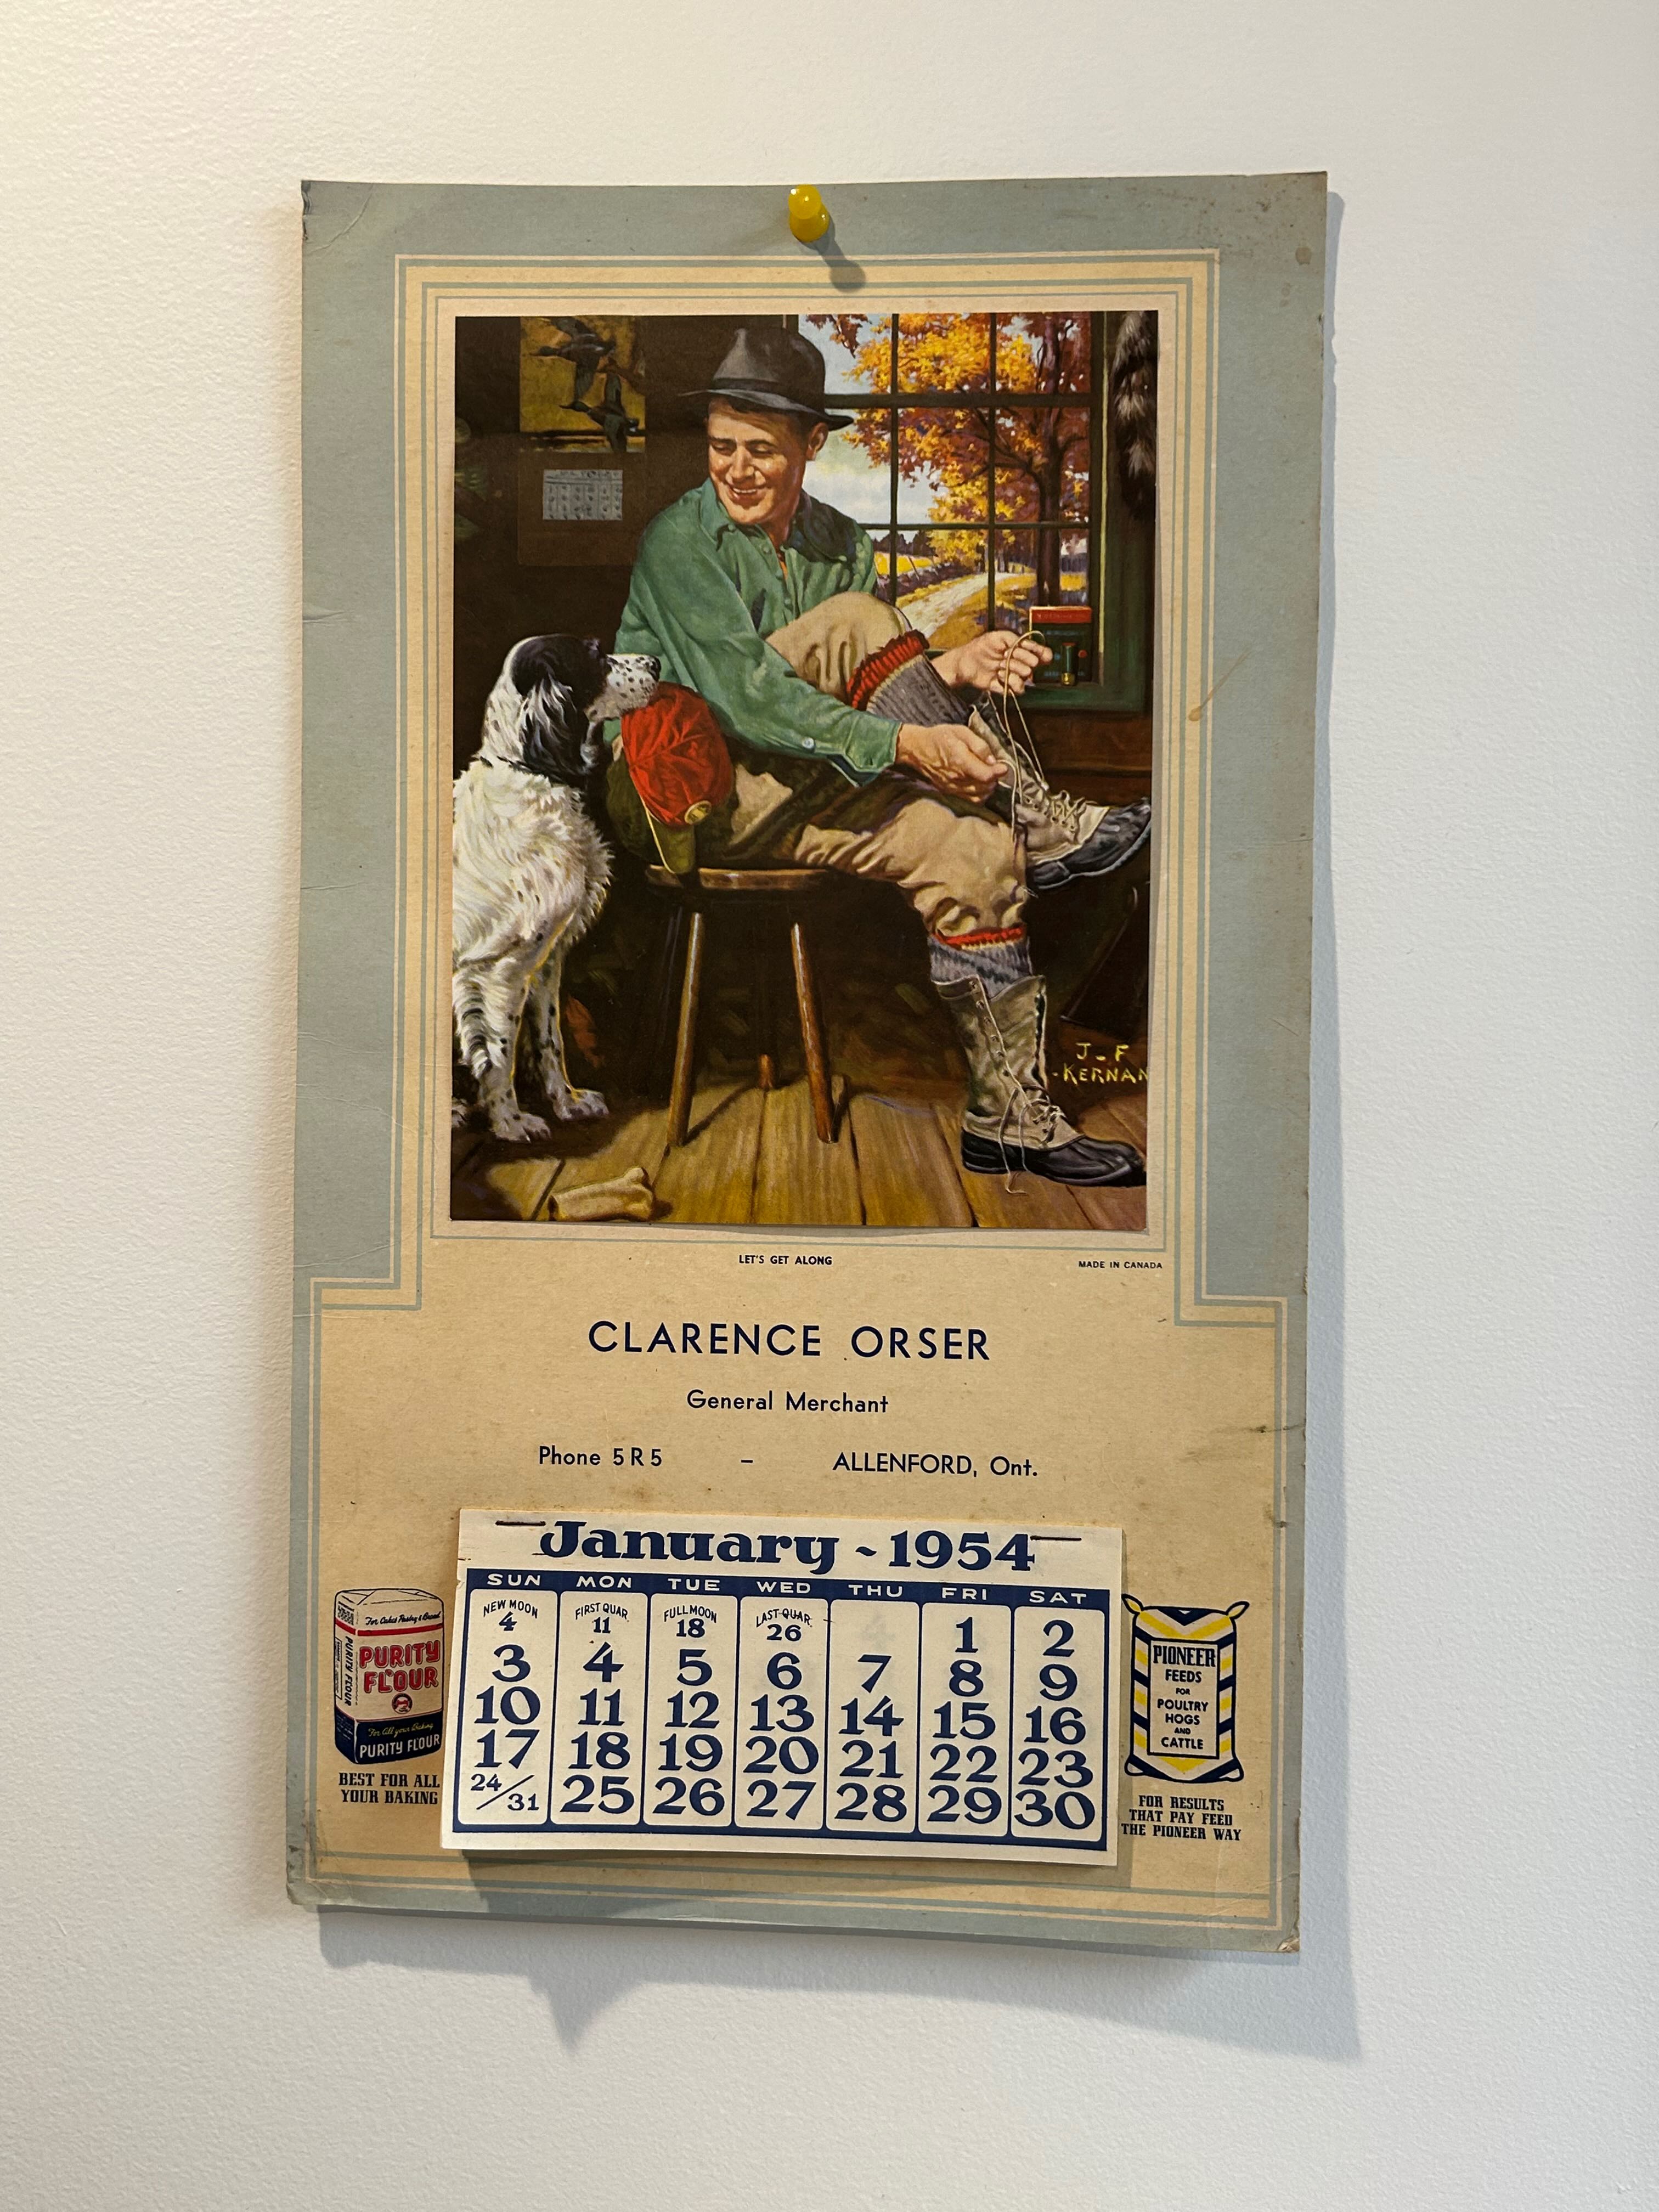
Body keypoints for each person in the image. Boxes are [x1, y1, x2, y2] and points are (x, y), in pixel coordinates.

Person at [608, 326, 1149, 1187]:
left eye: (761, 450)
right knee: (860, 619)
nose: (736, 470)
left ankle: (1007, 1119)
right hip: (690, 797)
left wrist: (954, 669)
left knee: (980, 853)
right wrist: (908, 742)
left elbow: (869, 688)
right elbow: (753, 699)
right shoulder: (679, 543)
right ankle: (1037, 817)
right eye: (721, 447)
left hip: (799, 787)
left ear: (812, 445)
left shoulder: (841, 541)